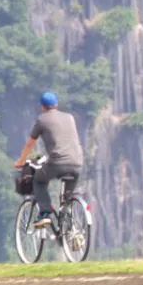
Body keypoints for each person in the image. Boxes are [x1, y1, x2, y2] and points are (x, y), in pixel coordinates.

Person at [13, 92, 84, 229]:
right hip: (77, 163)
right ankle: (72, 229)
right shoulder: (69, 117)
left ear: (42, 107)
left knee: (38, 180)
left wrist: (20, 161)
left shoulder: (42, 120)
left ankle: (45, 213)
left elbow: (29, 144)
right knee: (66, 201)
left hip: (58, 163)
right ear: (56, 104)